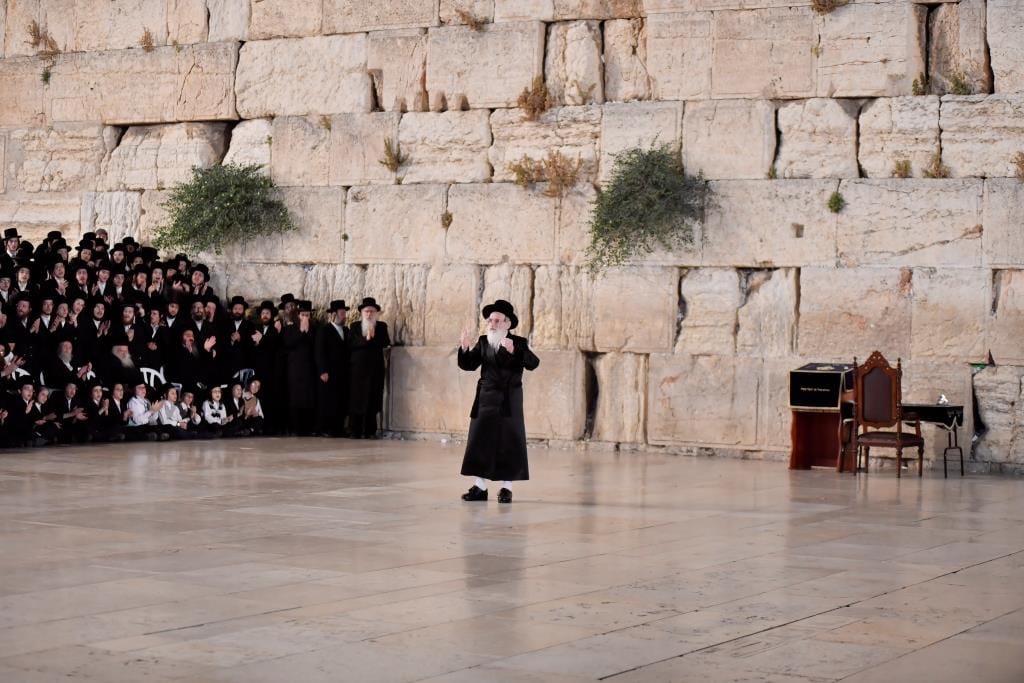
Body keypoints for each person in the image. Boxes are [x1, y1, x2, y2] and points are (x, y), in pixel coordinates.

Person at [457, 300, 539, 505]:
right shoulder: (484, 341)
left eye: (497, 320)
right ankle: (480, 486)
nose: (492, 324)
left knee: (508, 441)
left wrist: (513, 351)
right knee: (480, 440)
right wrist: (465, 348)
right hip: (485, 398)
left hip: (508, 400)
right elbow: (469, 365)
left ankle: (506, 488)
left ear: (507, 324)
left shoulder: (518, 342)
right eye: (490, 320)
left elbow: (533, 363)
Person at [348, 297, 390, 439]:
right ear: (362, 313)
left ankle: (370, 431)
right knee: (357, 400)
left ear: (376, 313)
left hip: (374, 370)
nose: (369, 314)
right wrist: (366, 339)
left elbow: (385, 342)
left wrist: (373, 337)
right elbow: (351, 344)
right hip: (357, 371)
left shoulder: (382, 326)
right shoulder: (354, 326)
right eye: (366, 311)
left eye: (372, 311)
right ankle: (355, 430)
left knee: (372, 400)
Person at [314, 299, 350, 437]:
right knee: (328, 401)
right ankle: (326, 428)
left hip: (342, 373)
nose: (344, 316)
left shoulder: (346, 331)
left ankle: (338, 428)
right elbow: (319, 352)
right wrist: (322, 370)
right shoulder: (324, 330)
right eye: (341, 313)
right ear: (333, 315)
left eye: (344, 313)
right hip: (329, 372)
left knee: (341, 400)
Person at [281, 300, 316, 435]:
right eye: (303, 315)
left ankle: (308, 428)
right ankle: (295, 428)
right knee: (295, 399)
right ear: (298, 316)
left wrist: (307, 332)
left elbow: (315, 346)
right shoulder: (290, 329)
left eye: (307, 315)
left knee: (308, 399)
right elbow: (288, 343)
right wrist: (301, 331)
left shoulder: (314, 329)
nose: (305, 318)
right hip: (294, 370)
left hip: (309, 370)